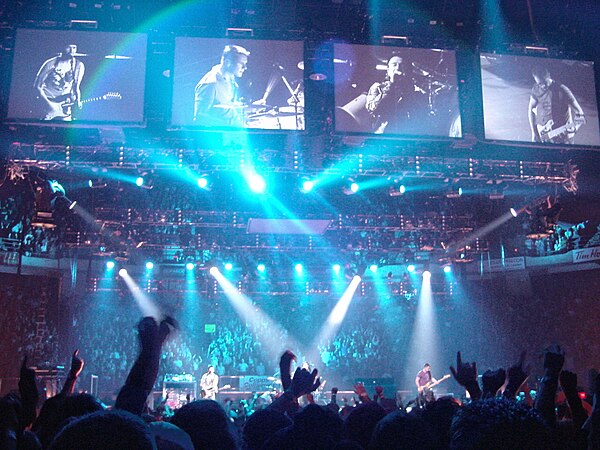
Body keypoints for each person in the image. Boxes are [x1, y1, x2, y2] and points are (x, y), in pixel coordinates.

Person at [193, 44, 250, 128]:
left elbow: (226, 106)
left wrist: (250, 108)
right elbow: (199, 117)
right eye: (241, 64)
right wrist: (230, 124)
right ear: (227, 62)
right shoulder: (210, 83)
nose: (245, 68)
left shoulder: (231, 78)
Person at [528, 66, 585, 144]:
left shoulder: (562, 89)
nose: (543, 86)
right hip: (546, 137)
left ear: (548, 75)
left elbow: (580, 113)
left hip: (564, 140)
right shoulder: (536, 89)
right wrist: (534, 133)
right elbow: (530, 110)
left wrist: (574, 129)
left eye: (545, 82)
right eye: (540, 83)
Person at [365, 55, 418, 134]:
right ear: (388, 69)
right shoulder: (377, 87)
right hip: (382, 133)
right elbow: (372, 108)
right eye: (394, 65)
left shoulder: (413, 89)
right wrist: (391, 84)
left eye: (401, 65)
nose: (397, 68)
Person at [34, 44, 85, 121]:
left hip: (65, 106)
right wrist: (50, 105)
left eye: (74, 48)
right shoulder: (50, 63)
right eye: (68, 47)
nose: (71, 50)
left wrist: (78, 101)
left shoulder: (79, 65)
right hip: (48, 103)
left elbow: (76, 87)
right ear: (62, 48)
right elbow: (37, 86)